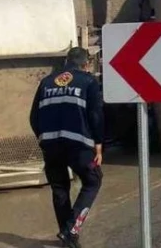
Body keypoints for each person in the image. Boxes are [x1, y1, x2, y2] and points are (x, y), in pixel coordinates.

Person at [30, 47, 106, 248]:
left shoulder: (46, 82)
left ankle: (68, 237)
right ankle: (70, 229)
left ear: (66, 60)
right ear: (86, 63)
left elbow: (33, 116)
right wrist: (98, 143)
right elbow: (96, 115)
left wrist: (42, 138)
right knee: (93, 181)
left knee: (59, 188)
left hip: (51, 145)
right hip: (78, 144)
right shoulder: (88, 81)